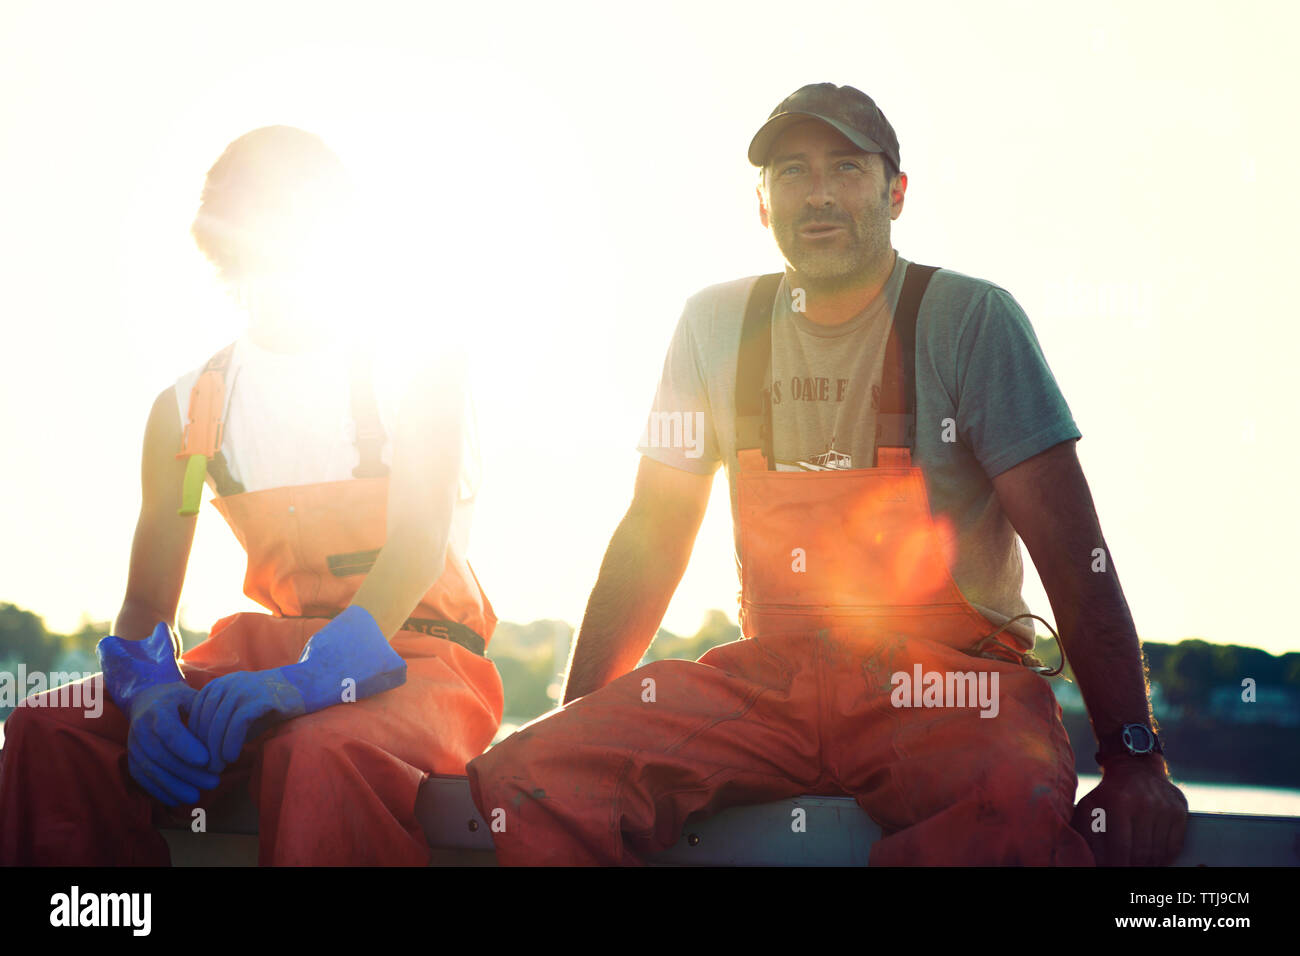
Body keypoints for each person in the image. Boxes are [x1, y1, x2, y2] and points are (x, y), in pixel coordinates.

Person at [467, 83, 1188, 866]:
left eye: (846, 168)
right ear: (761, 202)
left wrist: (1133, 758)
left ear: (897, 192)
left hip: (945, 690)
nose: (817, 195)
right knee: (538, 777)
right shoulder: (711, 326)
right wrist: (581, 714)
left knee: (1009, 814)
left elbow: (1073, 553)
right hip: (767, 684)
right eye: (790, 172)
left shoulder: (972, 321)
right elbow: (651, 534)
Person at [0, 125, 502, 866]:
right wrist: (150, 696)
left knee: (317, 754)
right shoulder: (188, 408)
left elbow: (418, 549)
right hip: (271, 655)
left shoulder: (419, 363)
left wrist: (310, 682)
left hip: (426, 664)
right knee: (50, 729)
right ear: (220, 247)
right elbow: (145, 608)